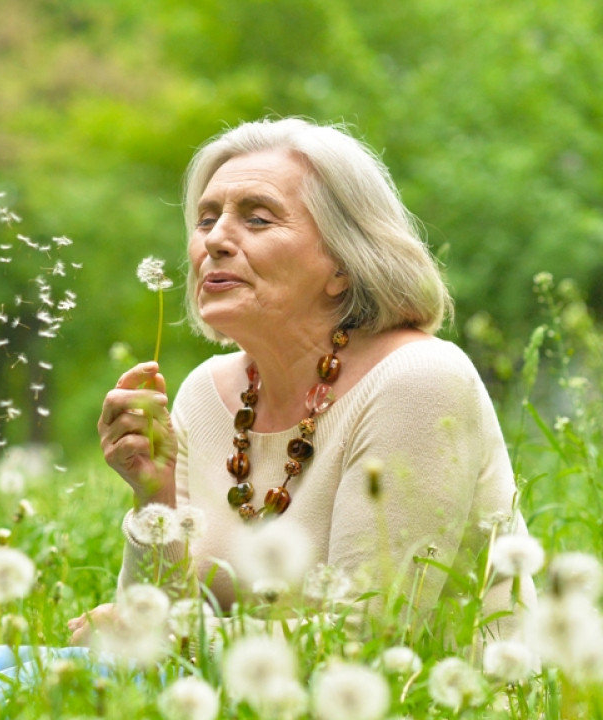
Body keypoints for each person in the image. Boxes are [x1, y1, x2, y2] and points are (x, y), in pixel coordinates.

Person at [74, 117, 536, 645]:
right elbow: (151, 637)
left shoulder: (418, 380)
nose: (217, 239)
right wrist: (152, 495)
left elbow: (370, 638)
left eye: (258, 219)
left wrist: (162, 637)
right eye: (206, 220)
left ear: (343, 262)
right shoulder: (205, 394)